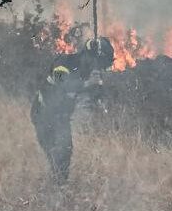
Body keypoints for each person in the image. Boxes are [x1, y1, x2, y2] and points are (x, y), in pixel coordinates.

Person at [30, 37, 114, 183]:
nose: (98, 68)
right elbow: (61, 82)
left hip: (61, 116)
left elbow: (91, 95)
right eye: (98, 63)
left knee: (64, 154)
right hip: (43, 113)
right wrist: (87, 83)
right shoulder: (64, 62)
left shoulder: (87, 72)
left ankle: (58, 187)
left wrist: (97, 91)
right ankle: (52, 185)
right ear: (88, 55)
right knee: (57, 152)